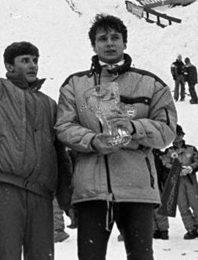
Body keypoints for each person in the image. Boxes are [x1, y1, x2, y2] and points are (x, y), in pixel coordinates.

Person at [0, 0, 72, 260]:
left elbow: (60, 155)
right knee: (7, 255)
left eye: (35, 60)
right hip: (6, 187)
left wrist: (67, 200)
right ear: (9, 66)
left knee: (42, 256)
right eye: (25, 61)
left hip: (42, 193)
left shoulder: (49, 104)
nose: (32, 65)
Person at [56, 13, 176, 260]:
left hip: (137, 189)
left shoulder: (151, 84)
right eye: (102, 38)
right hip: (91, 191)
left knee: (141, 257)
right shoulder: (75, 85)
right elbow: (64, 127)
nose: (109, 43)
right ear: (94, 45)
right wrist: (93, 141)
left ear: (124, 42)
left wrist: (135, 127)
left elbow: (166, 132)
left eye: (115, 37)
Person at [161, 125, 198, 239]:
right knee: (183, 206)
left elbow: (197, 160)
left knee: (195, 204)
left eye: (179, 134)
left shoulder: (191, 149)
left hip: (190, 180)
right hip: (176, 181)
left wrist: (190, 168)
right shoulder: (168, 151)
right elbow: (165, 163)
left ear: (182, 135)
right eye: (175, 135)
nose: (177, 138)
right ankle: (191, 228)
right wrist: (176, 168)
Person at [151, 149, 170, 240]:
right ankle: (154, 229)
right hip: (145, 185)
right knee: (150, 208)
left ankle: (164, 229)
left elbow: (166, 167)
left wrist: (164, 179)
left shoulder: (159, 154)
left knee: (159, 207)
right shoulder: (140, 153)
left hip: (157, 183)